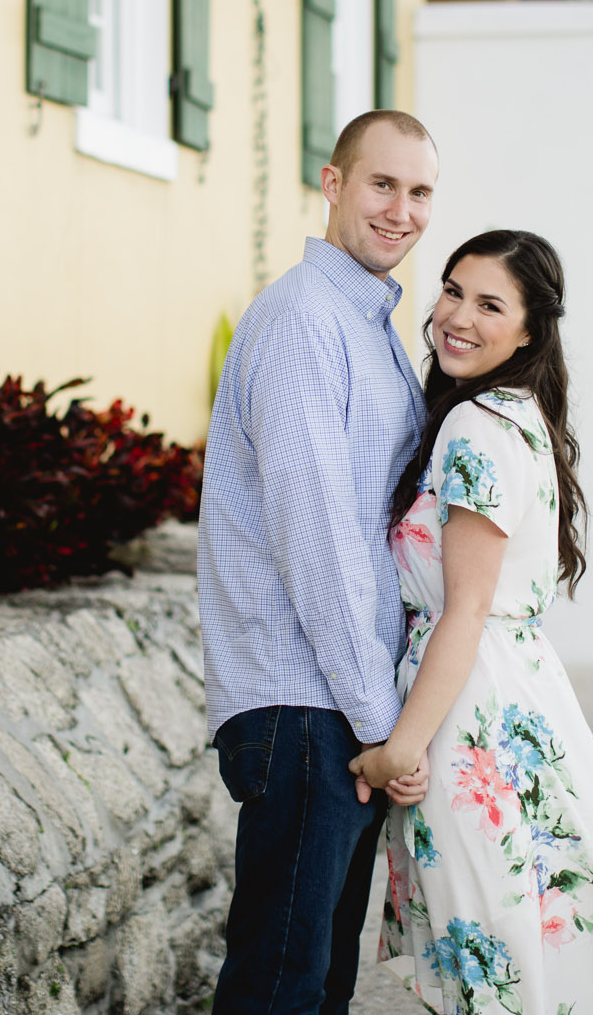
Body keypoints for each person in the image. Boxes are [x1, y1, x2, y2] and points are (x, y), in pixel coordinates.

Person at [350, 230, 593, 1015]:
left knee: (494, 959)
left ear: (531, 330)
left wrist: (398, 747)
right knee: (535, 948)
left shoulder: (476, 426)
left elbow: (465, 608)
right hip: (514, 696)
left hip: (469, 717)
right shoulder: (515, 412)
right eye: (452, 290)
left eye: (490, 303)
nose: (457, 317)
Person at [197, 109, 441, 1014]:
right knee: (280, 988)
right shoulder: (306, 321)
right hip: (310, 706)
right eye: (383, 184)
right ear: (334, 183)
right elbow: (321, 539)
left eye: (420, 193)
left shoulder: (366, 321)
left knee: (317, 985)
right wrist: (385, 724)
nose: (402, 210)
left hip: (338, 701)